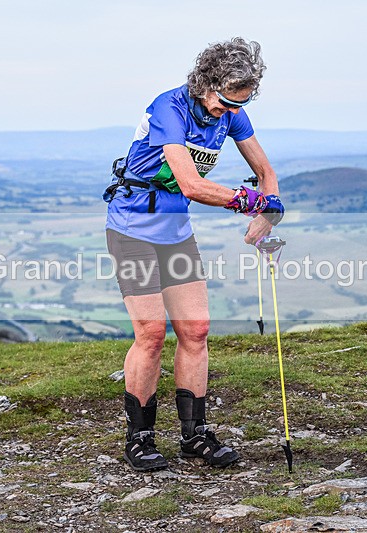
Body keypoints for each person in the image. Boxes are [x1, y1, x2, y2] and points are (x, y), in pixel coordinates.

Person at [102, 37, 284, 471]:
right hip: (132, 230)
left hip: (175, 233)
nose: (230, 111)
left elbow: (266, 172)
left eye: (239, 103)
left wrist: (269, 213)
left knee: (196, 330)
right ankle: (139, 438)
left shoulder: (232, 114)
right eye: (225, 101)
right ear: (206, 84)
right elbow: (191, 185)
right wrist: (252, 202)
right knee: (150, 335)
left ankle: (194, 435)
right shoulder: (169, 108)